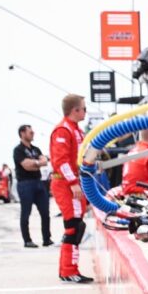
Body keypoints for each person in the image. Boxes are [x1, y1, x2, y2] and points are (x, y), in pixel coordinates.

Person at [50, 95, 93, 283]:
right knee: (73, 227)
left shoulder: (76, 130)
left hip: (74, 184)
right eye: (84, 108)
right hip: (65, 184)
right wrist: (73, 183)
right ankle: (68, 271)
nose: (86, 112)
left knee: (77, 226)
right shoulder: (63, 130)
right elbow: (61, 161)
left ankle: (69, 269)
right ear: (75, 110)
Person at [13, 124, 52, 248]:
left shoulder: (36, 149)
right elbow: (26, 165)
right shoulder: (18, 150)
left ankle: (47, 238)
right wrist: (38, 162)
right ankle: (27, 240)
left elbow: (44, 161)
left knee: (45, 212)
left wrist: (36, 163)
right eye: (30, 132)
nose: (33, 133)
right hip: (25, 184)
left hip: (38, 182)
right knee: (26, 212)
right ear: (22, 133)